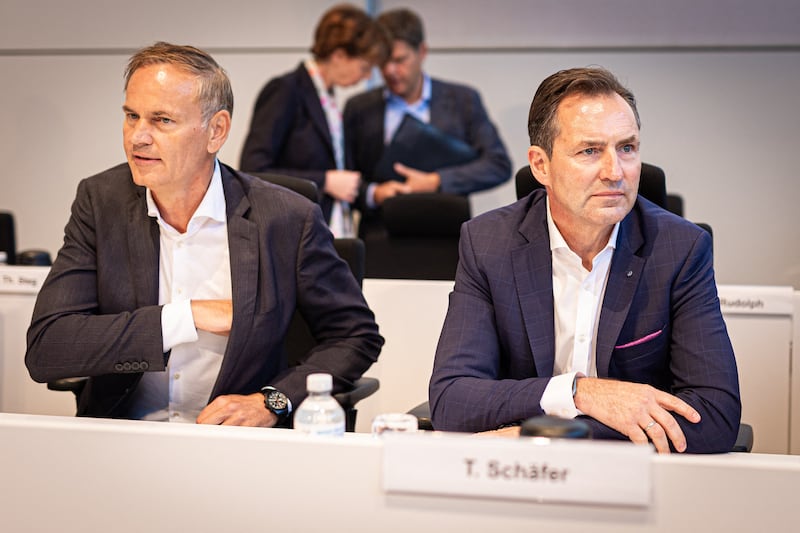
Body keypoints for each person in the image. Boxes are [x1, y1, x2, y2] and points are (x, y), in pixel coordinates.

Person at [25, 42, 383, 427]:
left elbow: (355, 336)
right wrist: (185, 317)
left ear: (216, 131)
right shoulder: (101, 202)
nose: (137, 137)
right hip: (124, 436)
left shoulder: (285, 219)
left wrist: (272, 402)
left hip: (235, 447)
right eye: (132, 116)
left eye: (162, 120)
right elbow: (48, 347)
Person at [428, 67, 741, 454]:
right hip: (517, 476)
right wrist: (580, 393)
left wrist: (550, 435)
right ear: (541, 165)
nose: (615, 172)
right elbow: (452, 398)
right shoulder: (487, 244)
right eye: (590, 151)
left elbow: (715, 415)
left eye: (627, 148)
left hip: (635, 482)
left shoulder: (680, 249)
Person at [343, 8, 511, 238]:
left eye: (399, 60)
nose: (390, 71)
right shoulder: (359, 108)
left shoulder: (463, 100)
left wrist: (436, 181)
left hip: (446, 237)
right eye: (382, 62)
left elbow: (497, 165)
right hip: (379, 238)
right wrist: (374, 193)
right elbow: (344, 177)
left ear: (422, 51)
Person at [239, 4, 389, 236]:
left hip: (331, 230)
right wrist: (325, 181)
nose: (367, 76)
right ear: (339, 55)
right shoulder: (286, 90)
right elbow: (253, 170)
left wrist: (374, 193)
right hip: (294, 233)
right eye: (364, 67)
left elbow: (340, 175)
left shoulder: (329, 99)